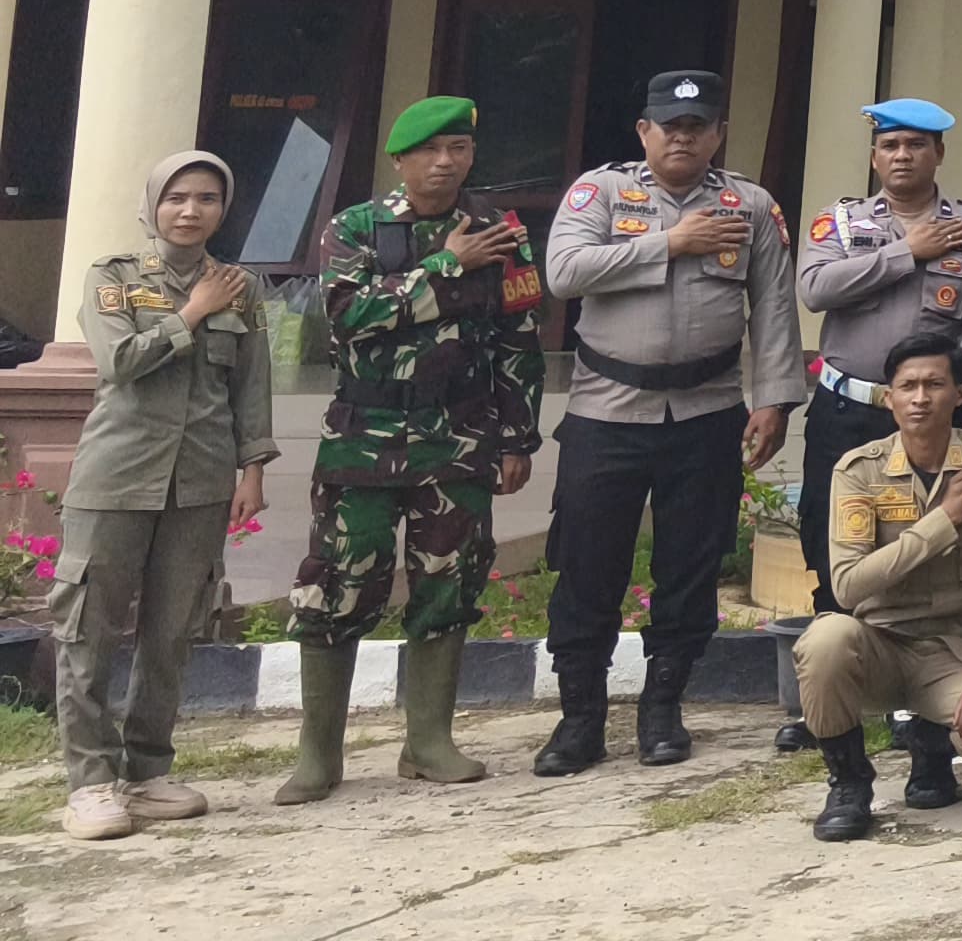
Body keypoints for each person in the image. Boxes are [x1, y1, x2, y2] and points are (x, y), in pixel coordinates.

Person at [278, 96, 543, 805]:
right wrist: (446, 266)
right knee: (339, 579)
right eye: (429, 150)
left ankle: (428, 743)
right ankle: (318, 756)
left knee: (449, 581)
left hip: (458, 438)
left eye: (458, 148)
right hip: (362, 437)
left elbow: (518, 339)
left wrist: (518, 436)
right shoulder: (356, 228)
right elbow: (347, 315)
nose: (444, 162)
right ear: (400, 160)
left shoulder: (499, 231)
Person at [537, 68, 801, 774]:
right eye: (669, 126)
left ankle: (662, 711)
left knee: (690, 567)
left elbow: (775, 306)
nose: (682, 138)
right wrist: (671, 243)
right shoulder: (600, 192)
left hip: (708, 411)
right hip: (606, 410)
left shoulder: (750, 205)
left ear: (718, 135)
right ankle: (579, 720)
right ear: (644, 131)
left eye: (697, 127)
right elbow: (564, 273)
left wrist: (774, 399)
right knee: (588, 567)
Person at [46, 151, 271, 841]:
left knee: (172, 632)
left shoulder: (241, 287)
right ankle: (90, 782)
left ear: (222, 210)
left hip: (200, 480)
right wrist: (192, 314)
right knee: (89, 630)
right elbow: (120, 362)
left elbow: (251, 385)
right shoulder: (113, 276)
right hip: (116, 478)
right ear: (152, 206)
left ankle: (146, 773)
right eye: (176, 197)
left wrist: (253, 470)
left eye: (206, 198)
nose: (190, 210)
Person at [785, 97, 962, 749]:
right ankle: (832, 693)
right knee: (831, 537)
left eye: (915, 145)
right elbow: (814, 289)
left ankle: (925, 694)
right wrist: (906, 251)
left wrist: (961, 366)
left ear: (939, 153)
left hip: (937, 408)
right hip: (851, 407)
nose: (902, 156)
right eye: (891, 145)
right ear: (875, 156)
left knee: (943, 534)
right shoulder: (841, 222)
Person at [792, 333, 962, 840]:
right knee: (824, 640)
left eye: (934, 385)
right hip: (879, 647)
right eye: (908, 386)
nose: (920, 398)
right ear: (890, 398)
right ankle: (849, 782)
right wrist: (946, 519)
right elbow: (848, 586)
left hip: (956, 654)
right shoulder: (859, 471)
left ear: (960, 394)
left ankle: (934, 747)